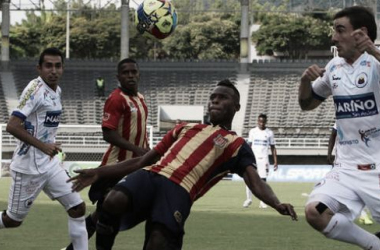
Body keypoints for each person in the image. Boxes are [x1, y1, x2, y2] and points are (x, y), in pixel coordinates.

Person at [69, 79, 297, 250]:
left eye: (223, 97)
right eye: (213, 97)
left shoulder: (238, 145)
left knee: (158, 243)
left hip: (180, 189)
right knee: (113, 200)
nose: (215, 100)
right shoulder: (185, 127)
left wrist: (277, 203)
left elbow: (255, 183)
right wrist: (99, 172)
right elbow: (143, 160)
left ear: (237, 107)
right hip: (152, 174)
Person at [299, 6, 380, 249]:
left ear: (360, 33)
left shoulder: (376, 61)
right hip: (345, 169)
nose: (333, 37)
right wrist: (305, 81)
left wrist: (375, 52)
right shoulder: (334, 67)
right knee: (316, 212)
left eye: (339, 30)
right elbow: (307, 104)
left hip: (377, 169)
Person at [0, 48, 88, 250]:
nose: (54, 70)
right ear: (39, 68)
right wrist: (44, 146)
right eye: (48, 65)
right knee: (14, 220)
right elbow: (12, 126)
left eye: (58, 65)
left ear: (63, 68)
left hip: (49, 165)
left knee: (77, 208)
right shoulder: (35, 90)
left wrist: (50, 148)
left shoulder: (56, 90)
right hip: (28, 168)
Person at [64, 58, 150, 250]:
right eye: (125, 72)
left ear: (138, 74)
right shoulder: (116, 98)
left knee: (101, 215)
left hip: (135, 167)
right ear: (118, 76)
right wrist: (136, 150)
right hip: (115, 168)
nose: (130, 75)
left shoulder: (141, 98)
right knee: (107, 218)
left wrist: (146, 151)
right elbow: (108, 132)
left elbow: (140, 131)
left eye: (133, 72)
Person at [327, 122, 373, 225]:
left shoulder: (364, 120)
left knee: (363, 187)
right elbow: (333, 136)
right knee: (339, 187)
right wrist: (329, 153)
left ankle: (363, 214)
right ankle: (347, 213)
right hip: (342, 162)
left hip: (360, 161)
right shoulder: (341, 120)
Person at [243, 113, 278, 209]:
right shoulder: (253, 131)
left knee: (263, 181)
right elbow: (248, 146)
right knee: (249, 178)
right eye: (260, 121)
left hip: (264, 159)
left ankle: (262, 202)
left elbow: (273, 147)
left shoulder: (269, 133)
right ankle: (248, 199)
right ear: (258, 121)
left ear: (265, 122)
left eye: (263, 122)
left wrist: (275, 161)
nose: (261, 123)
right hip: (253, 159)